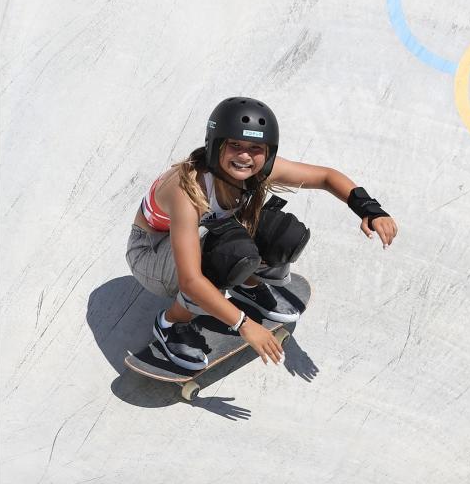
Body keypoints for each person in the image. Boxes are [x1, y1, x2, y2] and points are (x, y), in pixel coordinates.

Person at [126, 97, 398, 371]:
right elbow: (190, 280)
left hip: (200, 236)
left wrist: (370, 209)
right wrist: (243, 324)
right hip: (151, 253)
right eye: (235, 145)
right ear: (215, 143)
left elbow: (325, 177)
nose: (244, 156)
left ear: (267, 152)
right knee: (222, 258)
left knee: (282, 234)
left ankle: (247, 284)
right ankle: (171, 323)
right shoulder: (188, 190)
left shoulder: (259, 169)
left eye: (255, 148)